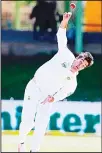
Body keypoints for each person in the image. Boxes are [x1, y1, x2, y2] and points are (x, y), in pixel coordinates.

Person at [18, 12, 94, 152]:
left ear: (83, 68)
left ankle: (34, 150)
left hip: (47, 99)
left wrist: (52, 98)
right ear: (78, 57)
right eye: (81, 61)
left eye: (83, 65)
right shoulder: (65, 54)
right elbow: (61, 36)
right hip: (34, 87)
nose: (79, 64)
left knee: (41, 126)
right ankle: (21, 142)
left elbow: (62, 94)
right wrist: (65, 20)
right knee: (28, 121)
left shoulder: (73, 83)